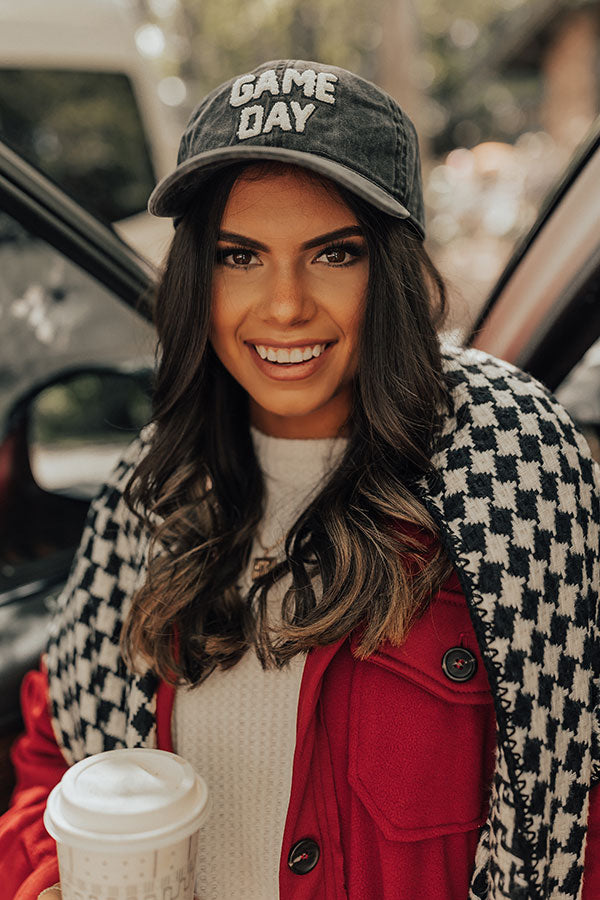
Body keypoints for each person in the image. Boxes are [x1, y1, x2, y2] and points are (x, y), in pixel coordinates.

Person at [0, 59, 598, 900]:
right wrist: (47, 874)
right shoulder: (148, 495)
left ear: (390, 270)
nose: (284, 306)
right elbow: (54, 760)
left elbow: (579, 807)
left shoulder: (511, 475)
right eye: (240, 256)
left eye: (334, 254)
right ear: (197, 277)